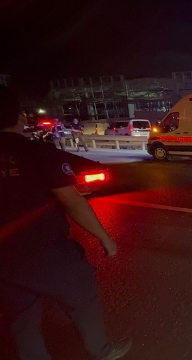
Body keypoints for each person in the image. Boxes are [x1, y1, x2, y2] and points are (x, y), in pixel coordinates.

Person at [0, 86, 132, 360]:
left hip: (4, 257)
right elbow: (72, 201)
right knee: (83, 298)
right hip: (45, 251)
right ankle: (103, 351)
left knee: (21, 321)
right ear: (20, 117)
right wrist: (104, 237)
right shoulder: (38, 153)